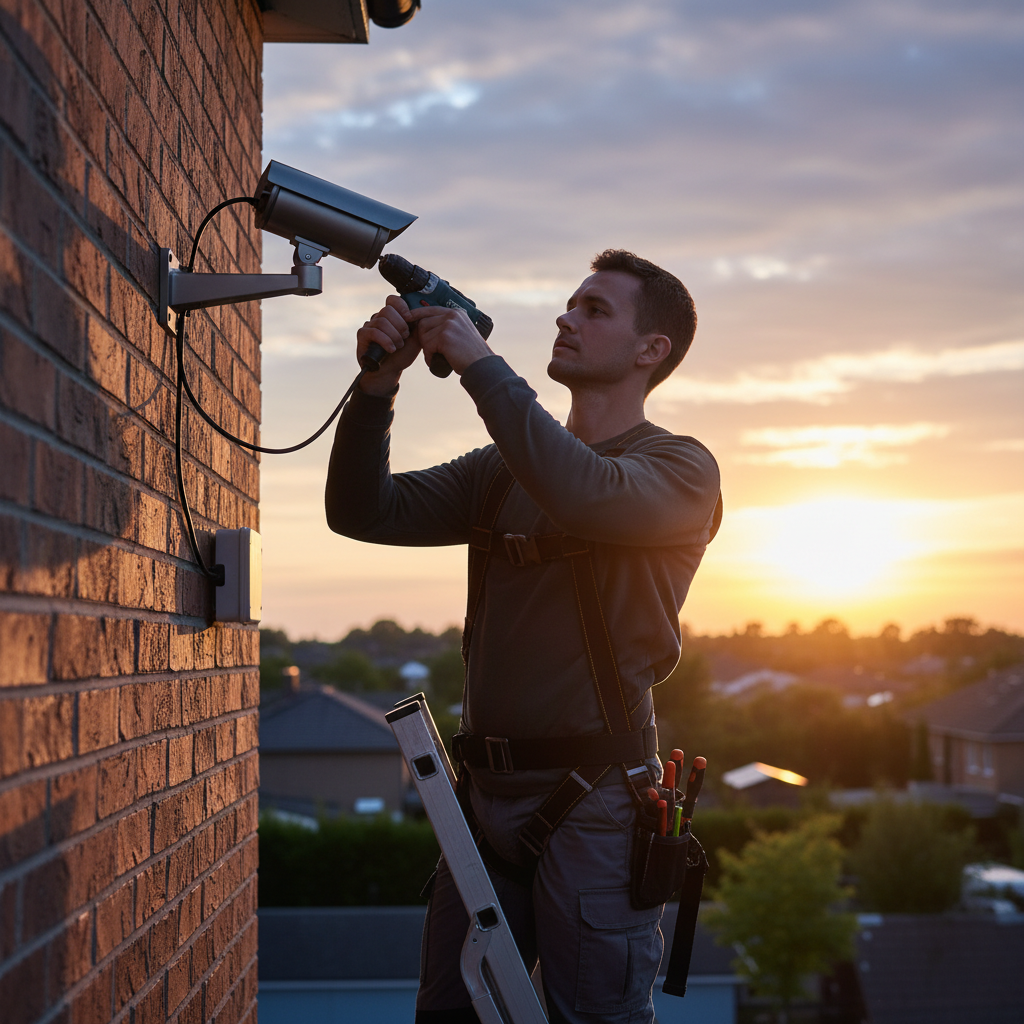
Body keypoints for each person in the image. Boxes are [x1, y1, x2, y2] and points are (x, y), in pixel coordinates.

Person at [325, 249, 721, 1024]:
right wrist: (377, 386)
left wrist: (479, 361)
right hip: (480, 803)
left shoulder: (678, 469)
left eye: (595, 310)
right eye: (570, 304)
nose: (566, 318)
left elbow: (583, 494)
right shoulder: (499, 473)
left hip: (597, 803)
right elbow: (360, 512)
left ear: (653, 351)